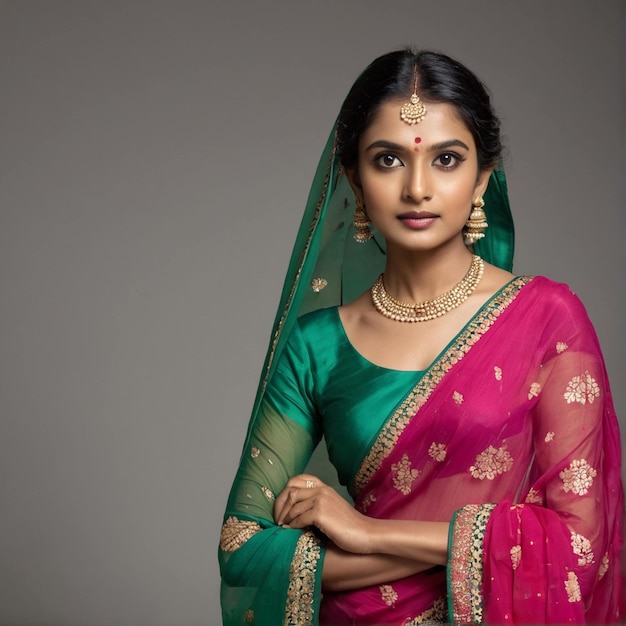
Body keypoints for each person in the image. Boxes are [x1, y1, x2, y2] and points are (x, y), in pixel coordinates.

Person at [218, 48, 623, 625]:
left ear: (483, 176)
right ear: (354, 180)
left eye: (447, 159)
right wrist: (432, 547)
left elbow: (578, 544)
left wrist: (364, 531)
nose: (417, 188)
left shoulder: (547, 320)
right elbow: (241, 545)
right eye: (387, 160)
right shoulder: (317, 345)